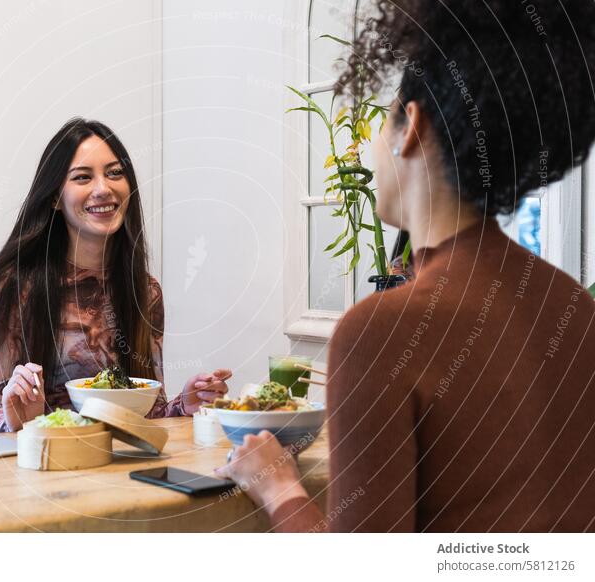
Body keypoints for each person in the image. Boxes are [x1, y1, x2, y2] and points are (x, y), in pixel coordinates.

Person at [217, 0, 595, 532]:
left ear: (409, 127)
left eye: (382, 120)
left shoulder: (381, 332)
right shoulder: (574, 307)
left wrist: (278, 485)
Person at [0, 118, 229, 432]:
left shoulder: (144, 290)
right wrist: (20, 420)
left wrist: (185, 404)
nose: (103, 188)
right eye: (83, 177)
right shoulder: (11, 287)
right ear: (55, 198)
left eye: (115, 173)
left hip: (113, 470)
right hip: (38, 467)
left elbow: (143, 415)